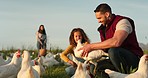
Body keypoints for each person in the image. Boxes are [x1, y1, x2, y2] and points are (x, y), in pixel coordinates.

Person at [79, 3, 144, 74]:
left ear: (107, 14)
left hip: (132, 59)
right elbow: (105, 48)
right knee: (95, 68)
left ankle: (126, 75)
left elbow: (116, 42)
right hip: (115, 59)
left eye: (99, 18)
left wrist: (91, 46)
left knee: (113, 51)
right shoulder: (103, 29)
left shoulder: (122, 22)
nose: (98, 21)